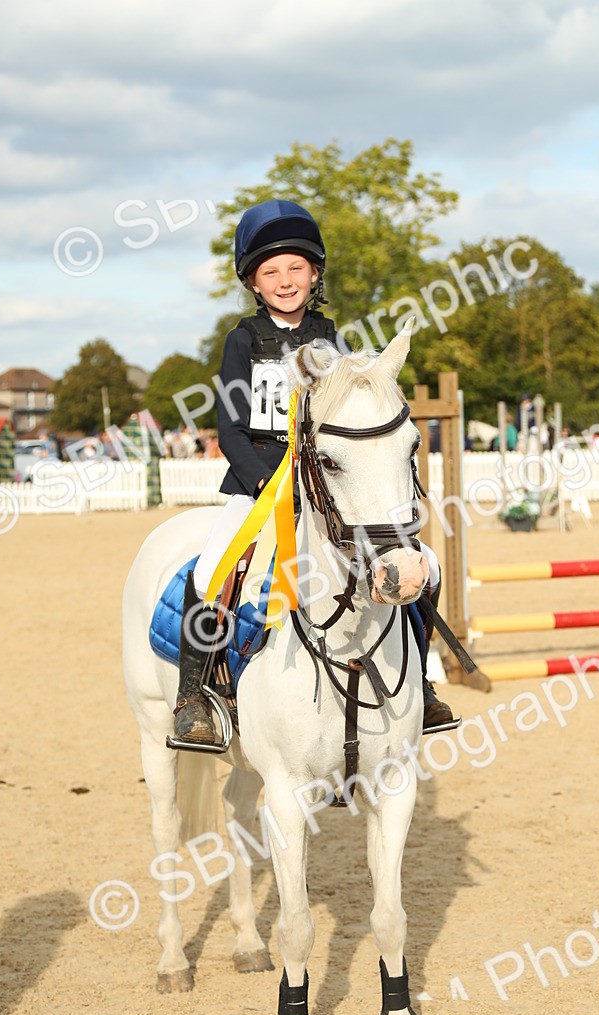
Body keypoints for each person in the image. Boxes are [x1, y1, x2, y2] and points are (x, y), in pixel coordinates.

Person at [173, 199, 454, 745]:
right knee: (211, 569)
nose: (285, 280)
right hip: (258, 481)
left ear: (315, 273)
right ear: (253, 282)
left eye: (295, 268)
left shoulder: (331, 338)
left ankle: (419, 681)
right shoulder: (241, 340)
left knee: (427, 565)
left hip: (326, 487)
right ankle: (195, 696)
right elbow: (230, 429)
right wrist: (263, 483)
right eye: (270, 271)